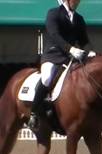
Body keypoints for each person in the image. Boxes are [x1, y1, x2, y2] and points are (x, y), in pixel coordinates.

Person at [28, 0, 96, 130]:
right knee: (47, 78)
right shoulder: (53, 13)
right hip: (53, 55)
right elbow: (55, 35)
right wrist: (70, 48)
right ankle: (34, 112)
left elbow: (84, 40)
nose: (77, 3)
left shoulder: (79, 19)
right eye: (75, 1)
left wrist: (90, 51)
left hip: (71, 57)